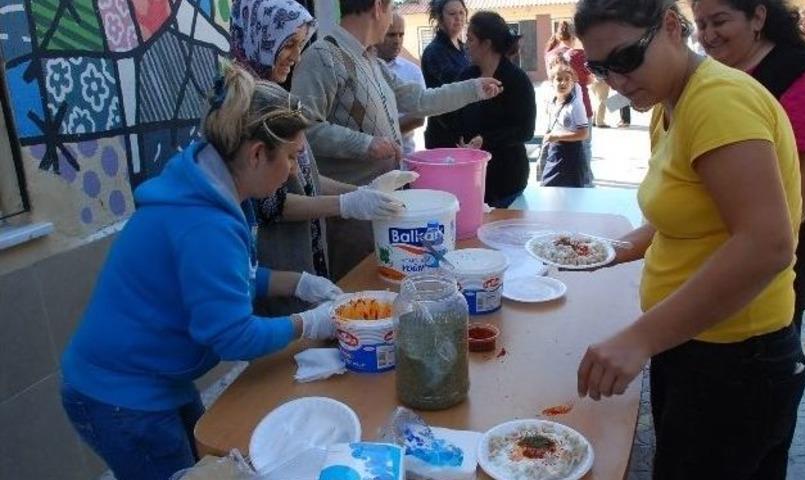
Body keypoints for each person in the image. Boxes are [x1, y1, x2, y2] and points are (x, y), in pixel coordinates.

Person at [60, 64, 343, 479]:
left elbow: (231, 278)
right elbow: (232, 335)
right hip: (119, 394)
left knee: (203, 453)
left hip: (158, 376)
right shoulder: (203, 222)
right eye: (293, 157)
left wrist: (299, 282)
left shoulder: (221, 189)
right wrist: (308, 322)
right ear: (257, 153)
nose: (297, 173)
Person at [573, 1, 805, 479]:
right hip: (692, 342)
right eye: (600, 68)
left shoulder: (718, 102)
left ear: (671, 28)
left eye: (625, 58)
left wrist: (638, 339)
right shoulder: (671, 101)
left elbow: (767, 244)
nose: (615, 80)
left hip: (735, 361)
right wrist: (616, 250)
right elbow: (690, 215)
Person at [230, 0, 417, 316]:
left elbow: (306, 176)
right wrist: (346, 204)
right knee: (288, 343)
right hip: (275, 260)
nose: (297, 56)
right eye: (288, 44)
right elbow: (271, 204)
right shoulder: (244, 107)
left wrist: (359, 192)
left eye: (300, 44)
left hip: (305, 254)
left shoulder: (277, 97)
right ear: (258, 37)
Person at [292, 0, 502, 279]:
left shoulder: (372, 62)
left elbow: (419, 99)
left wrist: (473, 88)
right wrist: (365, 144)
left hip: (383, 211)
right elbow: (304, 131)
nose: (392, 20)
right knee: (357, 294)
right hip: (347, 216)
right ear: (378, 7)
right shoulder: (322, 58)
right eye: (392, 10)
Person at [692, 0, 805, 336]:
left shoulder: (799, 72)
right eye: (701, 25)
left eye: (719, 22)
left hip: (769, 259)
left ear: (758, 16)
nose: (709, 35)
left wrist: (757, 240)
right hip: (711, 251)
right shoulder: (715, 74)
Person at [456, 11, 536, 208]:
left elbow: (525, 131)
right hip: (471, 179)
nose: (466, 44)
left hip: (505, 181)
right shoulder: (466, 77)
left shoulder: (517, 80)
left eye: (470, 39)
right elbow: (453, 117)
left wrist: (486, 140)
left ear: (487, 43)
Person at [544, 19, 596, 184]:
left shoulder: (550, 54)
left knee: (557, 149)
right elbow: (588, 79)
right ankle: (585, 180)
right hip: (581, 104)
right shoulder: (578, 54)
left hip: (557, 105)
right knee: (584, 146)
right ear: (574, 36)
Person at [377, 11, 426, 156]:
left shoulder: (412, 71)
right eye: (391, 35)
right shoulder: (364, 66)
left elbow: (418, 118)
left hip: (404, 157)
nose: (397, 40)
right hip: (370, 160)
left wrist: (380, 135)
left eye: (401, 34)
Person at [421, 0, 470, 148]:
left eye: (461, 13)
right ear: (439, 17)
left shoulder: (465, 49)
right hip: (444, 133)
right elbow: (452, 86)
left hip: (466, 130)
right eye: (452, 14)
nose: (458, 18)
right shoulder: (434, 51)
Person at [537, 56, 591, 187]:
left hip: (571, 156)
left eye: (567, 80)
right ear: (552, 82)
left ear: (573, 83)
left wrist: (556, 136)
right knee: (549, 191)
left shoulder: (576, 105)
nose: (563, 83)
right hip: (555, 152)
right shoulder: (552, 102)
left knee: (571, 197)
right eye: (559, 79)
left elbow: (584, 134)